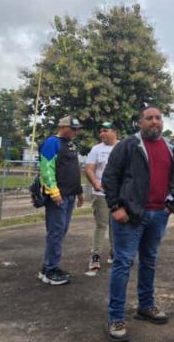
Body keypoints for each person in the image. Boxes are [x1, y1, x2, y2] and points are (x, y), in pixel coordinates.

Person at [101, 105, 174, 342]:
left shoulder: (170, 146)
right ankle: (115, 317)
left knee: (149, 261)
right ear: (140, 123)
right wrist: (115, 207)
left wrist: (170, 204)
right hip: (130, 216)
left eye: (158, 118)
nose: (154, 121)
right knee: (123, 263)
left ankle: (146, 305)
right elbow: (110, 176)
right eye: (149, 118)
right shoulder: (128, 145)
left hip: (158, 214)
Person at [38, 116, 85, 286]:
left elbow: (74, 170)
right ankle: (51, 270)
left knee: (61, 231)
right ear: (63, 127)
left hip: (70, 195)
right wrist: (53, 191)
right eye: (73, 129)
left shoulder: (71, 145)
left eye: (77, 129)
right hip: (59, 196)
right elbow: (46, 168)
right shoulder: (52, 143)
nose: (76, 132)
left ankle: (47, 267)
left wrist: (79, 192)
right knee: (56, 232)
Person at [84, 121, 118, 275]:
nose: (102, 134)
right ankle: (95, 255)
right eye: (101, 131)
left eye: (105, 130)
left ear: (114, 132)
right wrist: (95, 183)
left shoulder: (122, 147)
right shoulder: (96, 149)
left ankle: (115, 253)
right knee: (101, 225)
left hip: (118, 194)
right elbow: (89, 169)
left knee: (116, 225)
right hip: (101, 194)